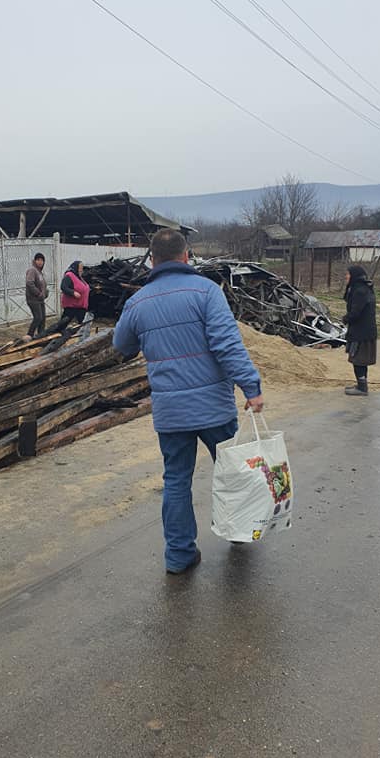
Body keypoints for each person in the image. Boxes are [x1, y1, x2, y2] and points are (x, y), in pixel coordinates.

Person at [113, 228, 264, 575]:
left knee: (177, 480)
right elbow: (227, 345)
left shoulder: (138, 302)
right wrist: (251, 387)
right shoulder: (207, 292)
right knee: (232, 473)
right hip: (214, 408)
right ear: (186, 256)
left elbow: (121, 346)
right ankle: (240, 532)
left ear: (153, 260)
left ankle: (179, 556)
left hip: (171, 413)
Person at [343, 264, 377, 396]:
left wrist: (346, 318)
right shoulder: (362, 288)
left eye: (348, 274)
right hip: (364, 330)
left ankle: (362, 388)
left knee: (358, 359)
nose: (346, 277)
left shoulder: (360, 291)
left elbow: (356, 312)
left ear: (354, 276)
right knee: (360, 359)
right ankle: (361, 384)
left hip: (361, 332)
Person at [60, 260, 90, 326]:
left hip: (81, 306)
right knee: (64, 322)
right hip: (71, 305)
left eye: (82, 268)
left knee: (81, 323)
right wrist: (73, 293)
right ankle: (56, 333)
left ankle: (80, 334)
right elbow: (63, 287)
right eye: (80, 268)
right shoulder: (69, 275)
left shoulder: (79, 277)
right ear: (76, 267)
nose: (81, 270)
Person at [25, 253, 48, 338]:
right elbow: (29, 283)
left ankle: (40, 336)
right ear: (35, 261)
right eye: (38, 260)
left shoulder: (39, 272)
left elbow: (43, 285)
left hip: (40, 299)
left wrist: (46, 292)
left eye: (42, 260)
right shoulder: (32, 270)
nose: (40, 262)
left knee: (42, 319)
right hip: (33, 299)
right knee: (38, 317)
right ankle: (29, 335)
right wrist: (38, 293)